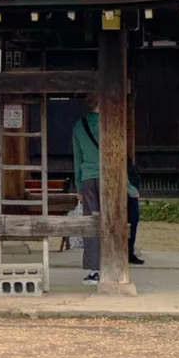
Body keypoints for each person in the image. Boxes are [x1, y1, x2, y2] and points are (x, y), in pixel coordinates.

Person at [72, 93, 144, 285]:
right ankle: (114, 265)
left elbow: (77, 159)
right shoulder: (112, 125)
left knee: (92, 223)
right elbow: (118, 158)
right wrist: (128, 187)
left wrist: (78, 185)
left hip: (88, 178)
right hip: (110, 177)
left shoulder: (79, 127)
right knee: (113, 220)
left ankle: (94, 270)